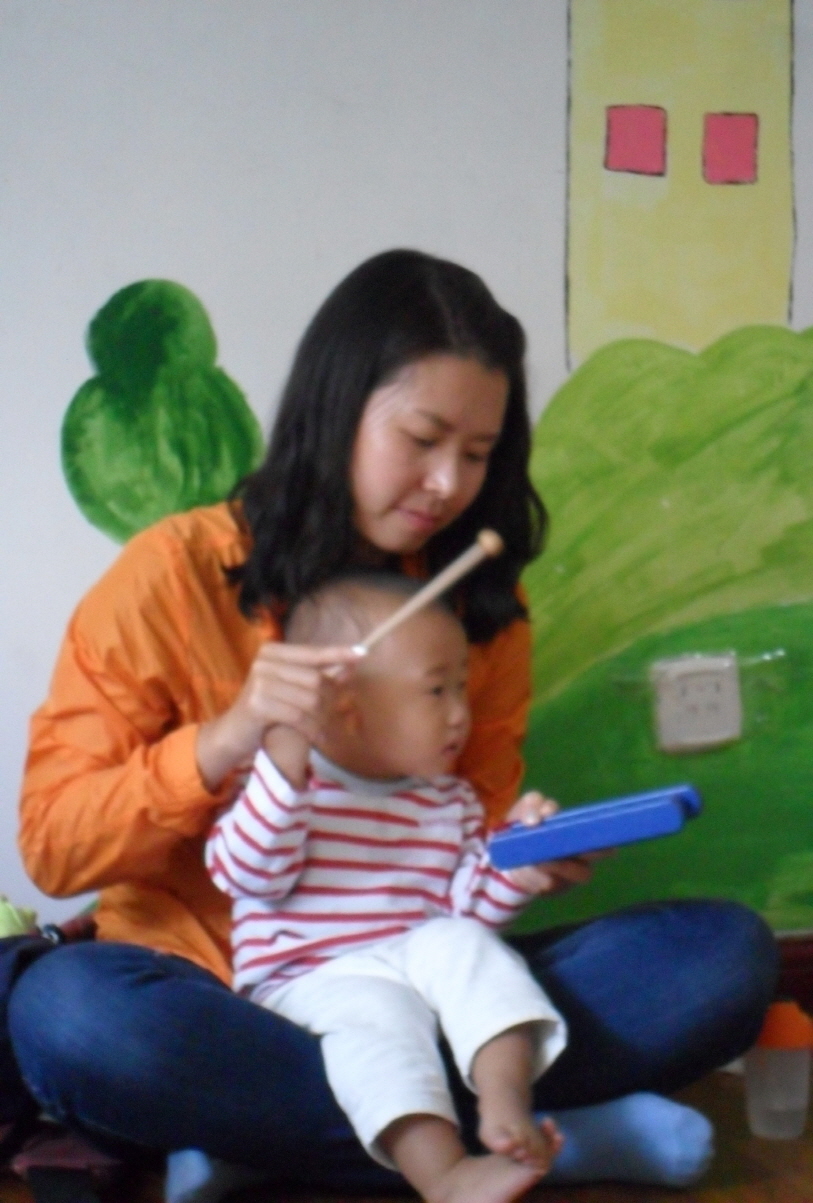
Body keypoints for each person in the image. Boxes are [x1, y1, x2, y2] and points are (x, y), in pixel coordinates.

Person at [12, 250, 776, 1194]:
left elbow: (459, 864)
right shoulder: (172, 574)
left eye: (477, 453)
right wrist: (227, 738)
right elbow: (53, 848)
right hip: (212, 993)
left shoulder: (479, 607)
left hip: (416, 967)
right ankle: (551, 1137)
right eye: (422, 438)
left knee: (722, 958)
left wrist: (523, 858)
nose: (447, 482)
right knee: (69, 1017)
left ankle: (266, 1142)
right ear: (337, 408)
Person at [200, 574, 566, 1203]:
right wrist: (283, 763)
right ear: (346, 706)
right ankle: (445, 1175)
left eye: (462, 688)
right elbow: (247, 872)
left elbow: (467, 914)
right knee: (377, 1015)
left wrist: (520, 864)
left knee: (470, 948)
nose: (461, 713)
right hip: (312, 977)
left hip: (417, 966)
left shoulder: (447, 799)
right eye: (437, 690)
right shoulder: (284, 786)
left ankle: (505, 1105)